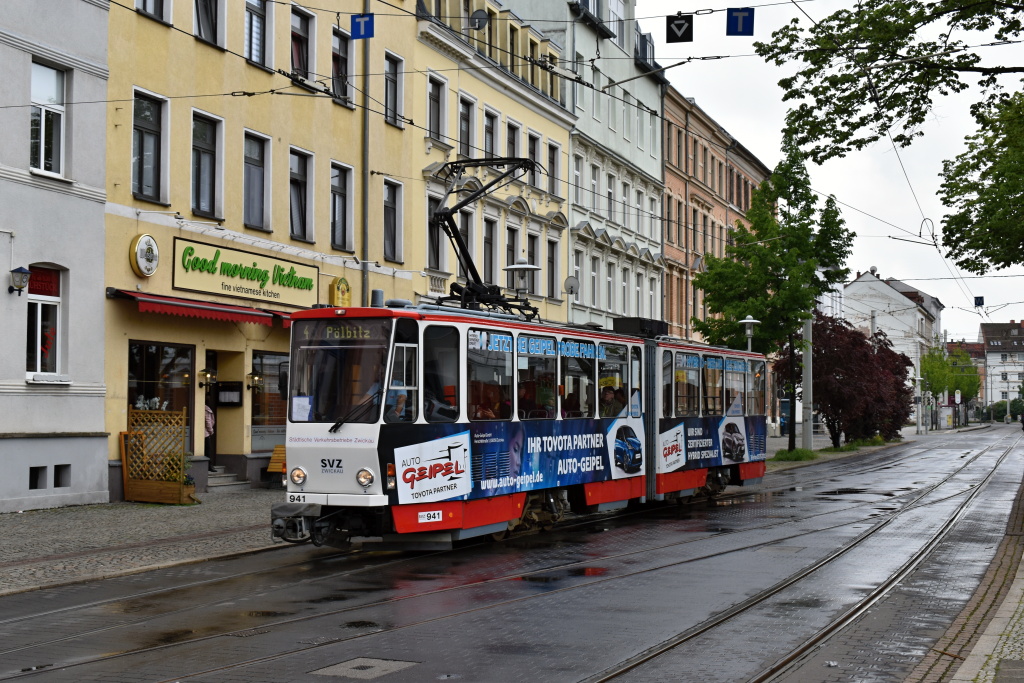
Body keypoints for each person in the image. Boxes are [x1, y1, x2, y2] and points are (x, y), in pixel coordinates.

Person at [204, 404, 216, 472]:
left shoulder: (205, 408)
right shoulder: (206, 409)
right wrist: (211, 431)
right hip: (205, 433)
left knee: (207, 450)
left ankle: (208, 465)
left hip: (204, 433)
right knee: (208, 450)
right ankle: (209, 466)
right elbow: (207, 421)